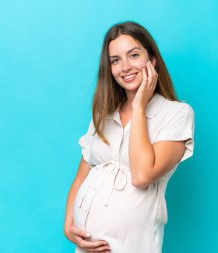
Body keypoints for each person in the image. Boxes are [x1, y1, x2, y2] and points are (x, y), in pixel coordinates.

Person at [64, 21, 194, 253]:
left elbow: (142, 175)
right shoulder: (103, 113)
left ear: (152, 60)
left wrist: (139, 108)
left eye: (133, 55)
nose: (125, 67)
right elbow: (80, 177)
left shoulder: (176, 113)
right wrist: (69, 225)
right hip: (88, 247)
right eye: (115, 60)